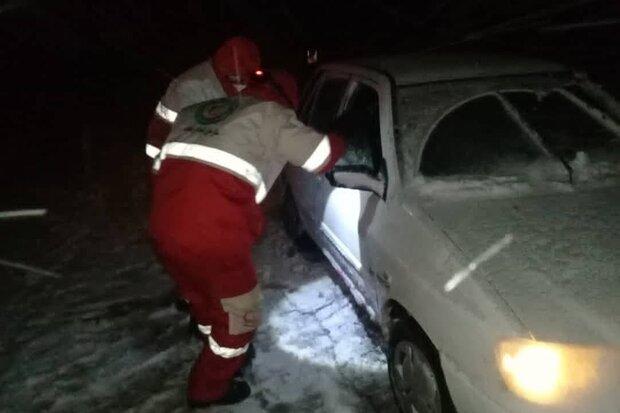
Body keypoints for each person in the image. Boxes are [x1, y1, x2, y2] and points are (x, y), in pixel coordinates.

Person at [148, 37, 346, 407]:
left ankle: (211, 338)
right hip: (214, 238)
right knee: (241, 317)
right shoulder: (272, 116)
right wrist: (344, 134)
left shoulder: (201, 111)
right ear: (285, 98)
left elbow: (161, 161)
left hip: (164, 227)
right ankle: (210, 387)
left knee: (201, 294)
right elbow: (323, 155)